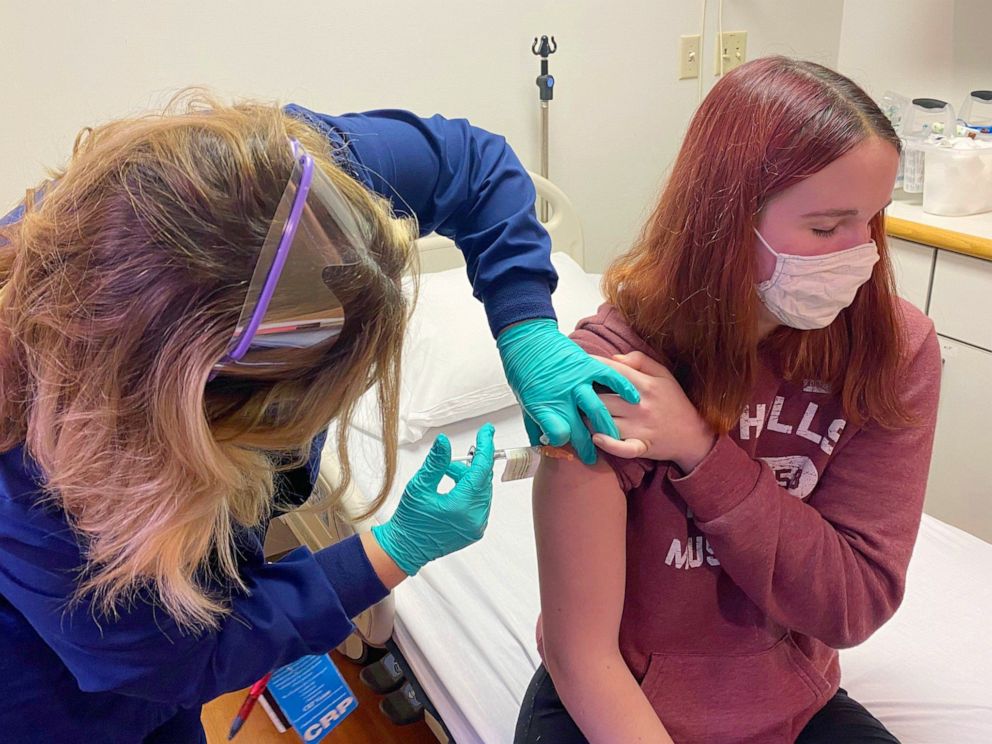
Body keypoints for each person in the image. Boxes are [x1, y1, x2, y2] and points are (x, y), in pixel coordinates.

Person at [0, 94, 634, 743]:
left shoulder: (282, 202)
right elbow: (184, 658)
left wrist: (526, 324)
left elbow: (472, 166)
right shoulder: (45, 495)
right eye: (313, 412)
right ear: (210, 421)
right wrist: (391, 551)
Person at [515, 57, 941, 744]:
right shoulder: (612, 368)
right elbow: (583, 655)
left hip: (792, 706)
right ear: (725, 221)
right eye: (828, 229)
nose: (860, 258)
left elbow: (852, 602)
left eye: (874, 221)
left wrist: (700, 453)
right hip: (620, 701)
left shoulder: (895, 350)